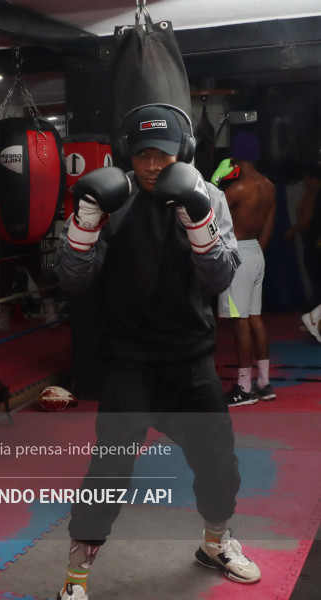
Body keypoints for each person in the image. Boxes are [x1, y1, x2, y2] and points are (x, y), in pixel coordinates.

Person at [54, 104, 259, 600]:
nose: (152, 167)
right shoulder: (111, 196)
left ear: (181, 154)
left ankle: (215, 544)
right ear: (129, 154)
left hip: (191, 357)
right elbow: (73, 280)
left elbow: (220, 279)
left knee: (218, 464)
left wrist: (200, 223)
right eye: (143, 155)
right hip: (130, 361)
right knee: (109, 469)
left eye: (162, 157)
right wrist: (84, 222)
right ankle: (76, 577)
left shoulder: (207, 193)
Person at [213, 132, 277, 405]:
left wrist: (216, 180)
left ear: (234, 158)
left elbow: (208, 210)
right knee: (254, 317)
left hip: (237, 252)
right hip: (255, 251)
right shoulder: (268, 186)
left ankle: (243, 388)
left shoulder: (239, 188)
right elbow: (268, 228)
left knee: (240, 321)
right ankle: (263, 383)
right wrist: (253, 257)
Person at [0, 238, 59, 333]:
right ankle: (51, 316)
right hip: (23, 237)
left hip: (17, 237)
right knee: (34, 275)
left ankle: (3, 320)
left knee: (8, 277)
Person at [286, 162, 321, 342]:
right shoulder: (312, 193)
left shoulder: (314, 194)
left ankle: (315, 320)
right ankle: (315, 319)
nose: (304, 180)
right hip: (313, 241)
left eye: (306, 176)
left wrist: (291, 231)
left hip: (315, 243)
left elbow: (306, 221)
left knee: (317, 282)